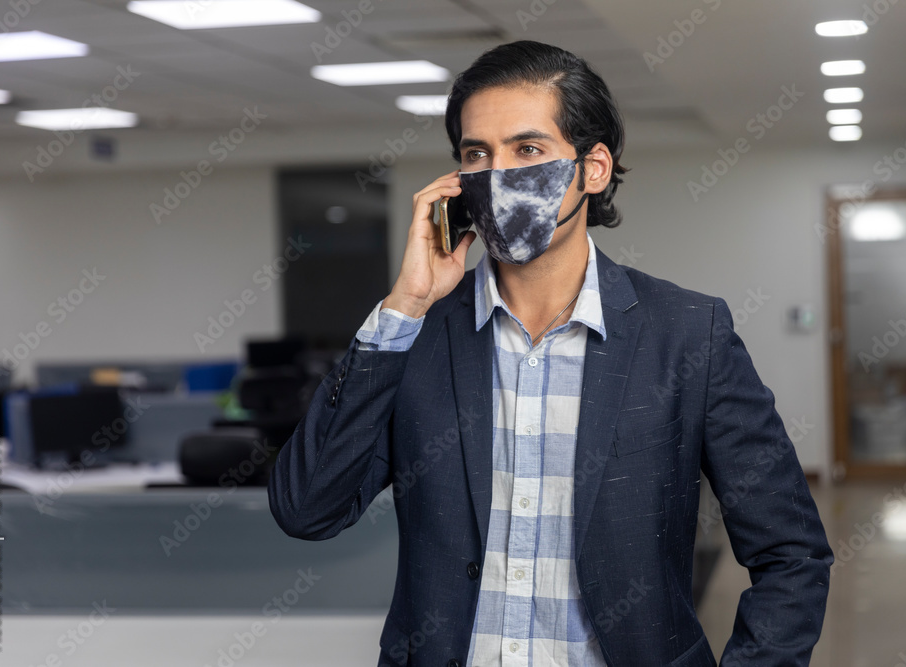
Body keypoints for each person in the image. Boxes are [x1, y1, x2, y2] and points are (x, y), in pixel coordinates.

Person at [268, 40, 833, 667]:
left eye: (528, 149)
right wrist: (404, 305)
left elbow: (792, 555)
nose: (497, 173)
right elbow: (307, 508)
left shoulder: (687, 333)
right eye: (477, 154)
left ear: (592, 169)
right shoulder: (416, 336)